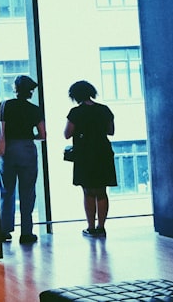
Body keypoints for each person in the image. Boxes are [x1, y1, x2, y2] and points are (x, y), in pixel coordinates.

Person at [0, 75, 46, 244]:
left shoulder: (4, 105)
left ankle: (4, 230)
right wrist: (32, 136)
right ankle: (26, 232)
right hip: (27, 150)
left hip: (8, 150)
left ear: (15, 88)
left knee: (7, 190)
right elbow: (43, 134)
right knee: (27, 191)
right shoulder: (34, 109)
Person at [63, 80, 116, 238]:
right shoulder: (104, 110)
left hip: (84, 153)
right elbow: (111, 131)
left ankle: (90, 227)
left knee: (88, 191)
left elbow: (67, 134)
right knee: (102, 191)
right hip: (103, 152)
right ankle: (101, 227)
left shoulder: (75, 112)